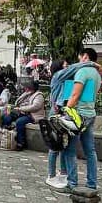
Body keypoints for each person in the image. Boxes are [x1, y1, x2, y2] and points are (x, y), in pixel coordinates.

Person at [52, 48, 101, 191]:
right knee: (90, 151)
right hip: (90, 114)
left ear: (85, 56)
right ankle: (91, 183)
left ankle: (72, 184)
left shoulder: (83, 72)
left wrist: (66, 110)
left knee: (69, 150)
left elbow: (75, 95)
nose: (79, 60)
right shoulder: (97, 74)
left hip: (78, 115)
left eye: (80, 57)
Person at [45, 59, 70, 188]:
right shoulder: (57, 76)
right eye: (66, 66)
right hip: (55, 114)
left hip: (63, 114)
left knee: (64, 145)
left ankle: (64, 172)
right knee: (54, 146)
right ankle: (51, 174)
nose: (68, 68)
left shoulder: (64, 80)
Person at [4, 79, 45, 151]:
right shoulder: (27, 94)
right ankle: (7, 137)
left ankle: (21, 143)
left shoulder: (39, 95)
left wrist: (21, 108)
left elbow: (35, 106)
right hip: (22, 113)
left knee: (20, 122)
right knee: (7, 116)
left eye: (27, 87)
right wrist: (25, 94)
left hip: (33, 115)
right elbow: (17, 102)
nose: (25, 88)